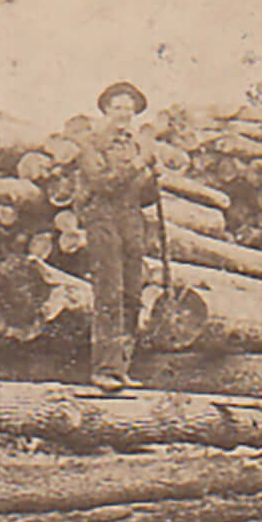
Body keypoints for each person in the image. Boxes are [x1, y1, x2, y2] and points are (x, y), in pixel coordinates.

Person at [75, 80, 160, 393]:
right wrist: (138, 165)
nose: (124, 113)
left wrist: (151, 176)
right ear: (106, 110)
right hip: (103, 219)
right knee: (109, 293)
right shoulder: (91, 143)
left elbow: (144, 195)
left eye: (129, 108)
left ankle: (122, 366)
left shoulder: (135, 144)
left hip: (131, 220)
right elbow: (101, 184)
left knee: (133, 295)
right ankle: (103, 368)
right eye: (118, 107)